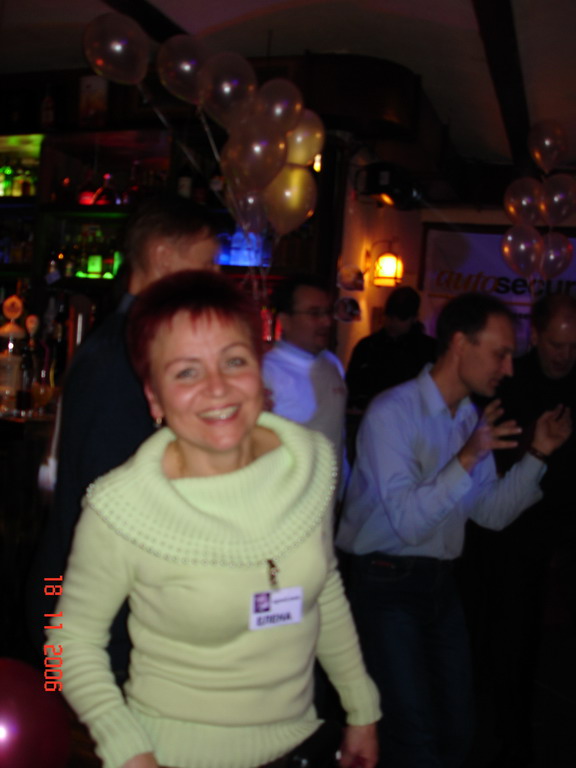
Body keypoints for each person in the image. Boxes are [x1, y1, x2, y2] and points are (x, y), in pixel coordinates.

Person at [46, 270, 380, 768]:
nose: (217, 388)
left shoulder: (310, 463)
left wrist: (361, 708)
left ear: (260, 372)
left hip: (302, 746)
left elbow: (323, 587)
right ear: (154, 398)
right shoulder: (122, 507)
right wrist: (126, 747)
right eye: (186, 372)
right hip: (171, 756)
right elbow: (66, 642)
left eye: (235, 361)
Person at [336, 292, 571, 768]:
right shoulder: (392, 412)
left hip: (441, 584)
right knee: (415, 738)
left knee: (458, 730)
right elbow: (407, 523)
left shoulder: (467, 417)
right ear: (461, 344)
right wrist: (467, 457)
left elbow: (491, 514)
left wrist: (538, 454)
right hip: (384, 583)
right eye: (500, 353)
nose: (508, 368)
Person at [27, 196, 221, 676]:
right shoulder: (124, 357)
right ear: (162, 257)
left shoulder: (132, 343)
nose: (215, 277)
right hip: (90, 615)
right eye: (207, 264)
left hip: (82, 598)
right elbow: (114, 502)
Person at [464, 293, 576, 766]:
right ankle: (499, 741)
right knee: (502, 643)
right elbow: (484, 467)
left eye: (573, 346)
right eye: (556, 344)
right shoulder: (509, 382)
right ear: (537, 335)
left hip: (559, 531)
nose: (565, 355)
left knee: (541, 651)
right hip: (506, 534)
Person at [262, 275, 348, 487]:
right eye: (314, 313)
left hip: (329, 496)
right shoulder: (266, 371)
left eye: (327, 312)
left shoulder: (332, 364)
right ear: (285, 320)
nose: (326, 322)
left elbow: (338, 434)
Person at [346, 285, 436, 413]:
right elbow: (351, 385)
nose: (393, 322)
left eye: (400, 318)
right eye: (390, 316)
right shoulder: (367, 346)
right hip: (372, 412)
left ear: (414, 318)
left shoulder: (428, 349)